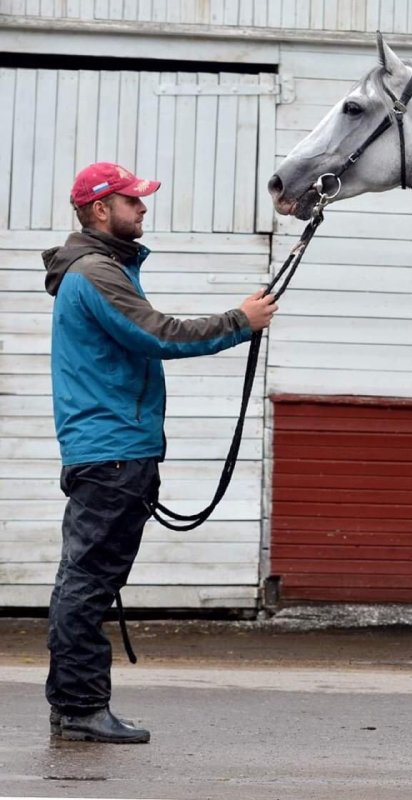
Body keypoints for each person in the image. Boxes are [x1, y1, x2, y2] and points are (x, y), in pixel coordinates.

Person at [41, 162, 277, 743]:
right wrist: (238, 323)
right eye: (133, 201)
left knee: (85, 580)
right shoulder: (96, 272)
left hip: (116, 451)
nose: (143, 209)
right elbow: (157, 334)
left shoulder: (99, 269)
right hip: (113, 453)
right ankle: (78, 708)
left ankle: (74, 705)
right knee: (88, 583)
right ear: (101, 209)